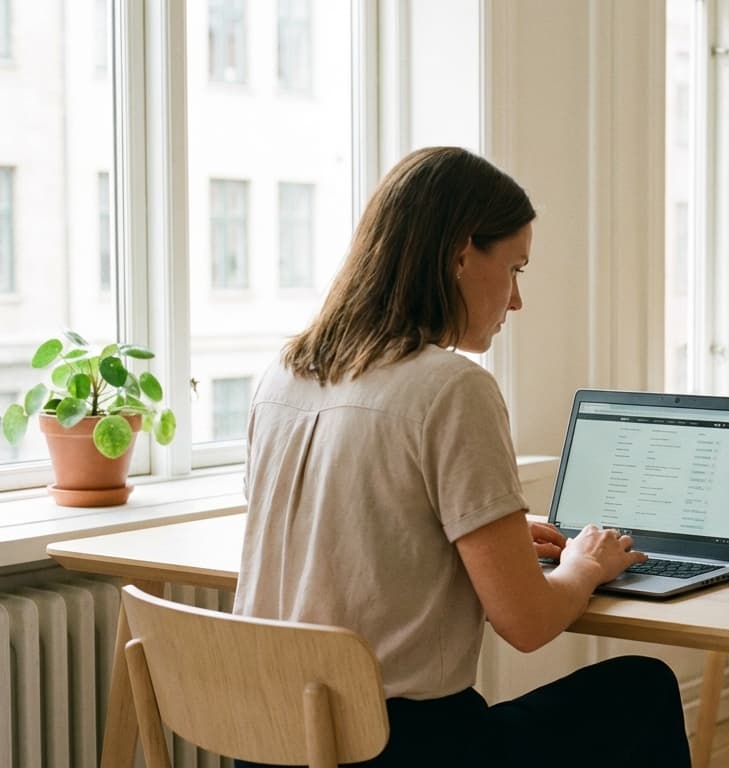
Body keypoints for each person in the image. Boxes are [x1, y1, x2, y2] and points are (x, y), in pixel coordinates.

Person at [233, 146, 692, 767]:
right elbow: (527, 624)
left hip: (268, 743)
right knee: (642, 687)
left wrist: (474, 537)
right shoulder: (452, 388)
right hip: (397, 752)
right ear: (459, 256)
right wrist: (584, 564)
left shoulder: (282, 375)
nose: (516, 301)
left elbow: (352, 525)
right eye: (515, 269)